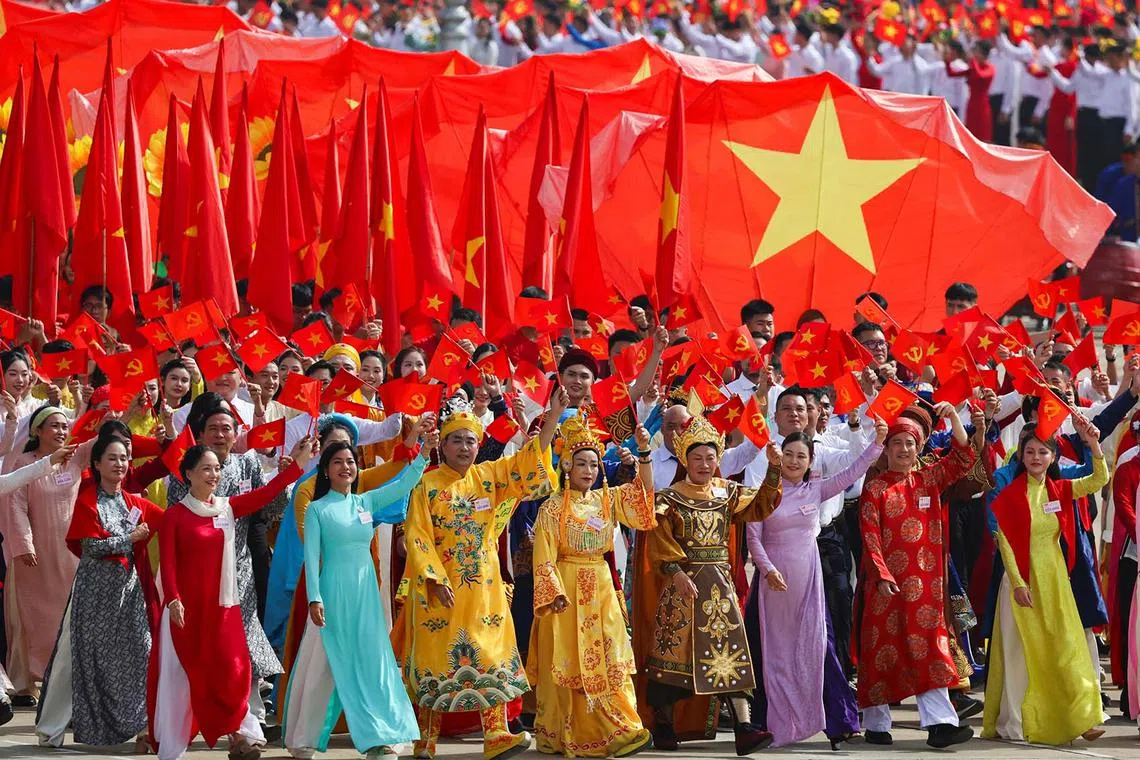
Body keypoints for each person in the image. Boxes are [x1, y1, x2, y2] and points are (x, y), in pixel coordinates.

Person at [151, 437, 315, 760]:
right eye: (205, 469)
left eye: (217, 469)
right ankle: (190, 740)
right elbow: (168, 565)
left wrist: (296, 464)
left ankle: (237, 734)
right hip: (186, 612)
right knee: (190, 677)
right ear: (188, 474)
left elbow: (264, 495)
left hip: (225, 609)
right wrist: (172, 600)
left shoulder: (227, 508)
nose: (213, 475)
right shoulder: (176, 516)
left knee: (234, 671)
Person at [640, 414, 783, 755]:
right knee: (675, 653)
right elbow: (658, 539)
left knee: (729, 653)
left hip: (719, 587)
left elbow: (762, 504)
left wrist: (775, 468)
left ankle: (744, 729)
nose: (704, 464)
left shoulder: (727, 492)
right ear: (684, 460)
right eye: (696, 457)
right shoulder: (669, 497)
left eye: (710, 457)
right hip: (683, 586)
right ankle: (663, 724)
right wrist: (675, 572)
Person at [283, 440, 431, 760]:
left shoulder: (365, 503)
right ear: (326, 470)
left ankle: (381, 736)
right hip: (332, 594)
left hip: (365, 596)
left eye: (350, 461)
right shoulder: (317, 510)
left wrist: (423, 456)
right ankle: (303, 737)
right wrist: (315, 599)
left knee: (373, 662)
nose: (345, 467)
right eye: (337, 462)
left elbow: (405, 482)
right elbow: (311, 558)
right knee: (323, 664)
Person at [745, 420, 886, 749]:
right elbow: (754, 539)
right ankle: (773, 726)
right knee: (774, 656)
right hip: (773, 588)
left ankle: (832, 723)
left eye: (801, 456)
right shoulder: (763, 495)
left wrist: (877, 442)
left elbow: (855, 470)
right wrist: (767, 571)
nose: (794, 461)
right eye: (789, 454)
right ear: (779, 458)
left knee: (817, 650)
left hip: (809, 585)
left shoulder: (817, 490)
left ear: (810, 462)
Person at [527, 414, 656, 757]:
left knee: (611, 656)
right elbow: (544, 556)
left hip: (600, 587)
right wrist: (552, 593)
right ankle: (569, 732)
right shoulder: (552, 508)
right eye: (581, 463)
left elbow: (644, 499)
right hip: (566, 592)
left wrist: (644, 453)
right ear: (567, 466)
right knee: (571, 661)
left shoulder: (607, 500)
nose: (589, 471)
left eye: (594, 465)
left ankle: (624, 727)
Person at [856, 402, 976, 748]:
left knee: (932, 651)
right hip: (886, 589)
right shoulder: (876, 489)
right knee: (882, 652)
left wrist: (954, 418)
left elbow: (964, 458)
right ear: (887, 448)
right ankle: (877, 724)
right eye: (897, 443)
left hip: (926, 588)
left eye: (910, 443)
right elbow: (870, 536)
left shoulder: (929, 479)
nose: (904, 449)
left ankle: (940, 724)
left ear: (918, 447)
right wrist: (880, 575)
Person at [35, 432, 165, 750]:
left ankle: (144, 728)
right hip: (93, 595)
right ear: (96, 463)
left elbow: (173, 521)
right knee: (75, 658)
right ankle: (50, 729)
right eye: (112, 458)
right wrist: (129, 539)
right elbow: (91, 546)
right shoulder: (87, 499)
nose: (120, 463)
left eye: (124, 458)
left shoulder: (135, 502)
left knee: (143, 654)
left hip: (128, 595)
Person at [984, 420, 1108, 743]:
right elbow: (1005, 540)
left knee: (1067, 647)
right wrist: (1018, 583)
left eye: (1043, 452)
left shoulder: (1060, 489)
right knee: (1021, 653)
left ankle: (1080, 717)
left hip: (1055, 583)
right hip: (1021, 584)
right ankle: (1020, 721)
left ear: (1053, 457)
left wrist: (1093, 443)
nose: (1036, 457)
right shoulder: (1011, 495)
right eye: (1030, 452)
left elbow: (1099, 479)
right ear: (1021, 456)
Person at [4, 406, 98, 703]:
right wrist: (25, 544)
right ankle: (28, 682)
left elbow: (102, 437)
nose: (60, 431)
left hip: (71, 552)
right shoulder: (23, 462)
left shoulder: (75, 456)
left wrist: (126, 411)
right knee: (34, 620)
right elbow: (14, 505)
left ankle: (65, 680)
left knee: (67, 617)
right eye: (53, 426)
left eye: (63, 426)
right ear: (37, 431)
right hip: (36, 555)